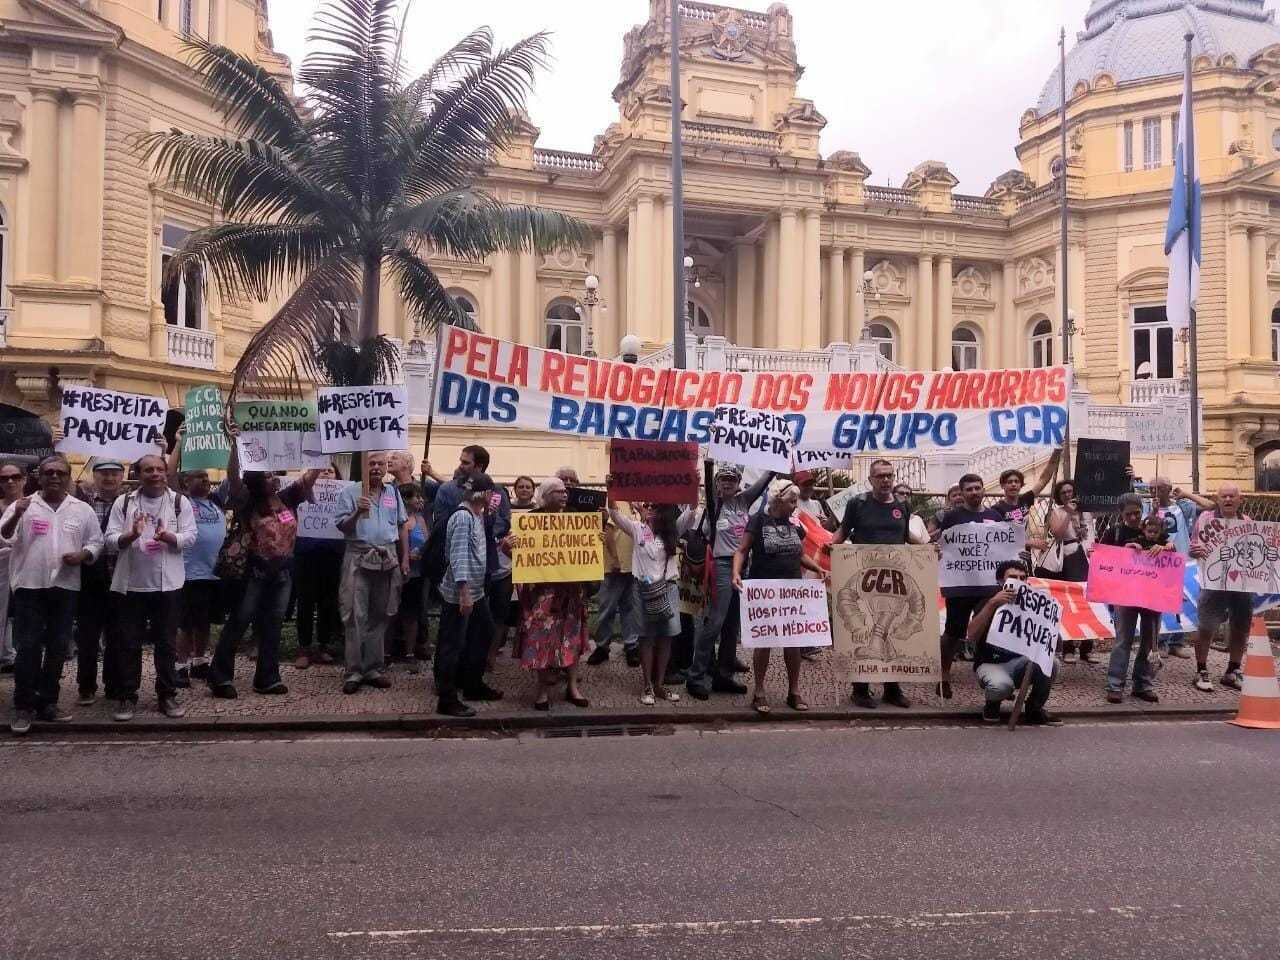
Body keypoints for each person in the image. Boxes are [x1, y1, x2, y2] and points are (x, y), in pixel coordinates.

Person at [1, 455, 103, 734]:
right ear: (39, 477)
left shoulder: (82, 509)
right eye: (48, 472)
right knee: (28, 647)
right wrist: (18, 514)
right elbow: (4, 536)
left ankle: (48, 702)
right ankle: (23, 706)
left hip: (65, 587)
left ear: (69, 476)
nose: (54, 477)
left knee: (59, 647)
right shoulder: (23, 505)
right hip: (29, 587)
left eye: (60, 472)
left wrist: (84, 554)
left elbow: (96, 542)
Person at [208, 467, 319, 699]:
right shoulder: (246, 501)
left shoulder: (287, 497)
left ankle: (267, 678)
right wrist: (235, 444)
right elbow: (234, 476)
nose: (274, 478)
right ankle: (220, 677)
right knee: (240, 621)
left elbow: (308, 478)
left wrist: (324, 449)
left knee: (273, 625)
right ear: (256, 482)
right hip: (254, 571)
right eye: (267, 476)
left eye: (273, 474)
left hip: (283, 572)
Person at [827, 459, 930, 708]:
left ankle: (892, 690)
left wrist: (927, 550)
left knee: (891, 628)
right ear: (871, 479)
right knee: (865, 630)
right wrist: (831, 548)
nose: (885, 480)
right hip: (864, 575)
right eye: (880, 476)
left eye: (889, 476)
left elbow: (906, 535)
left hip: (894, 577)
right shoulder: (857, 504)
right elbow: (843, 531)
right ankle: (860, 690)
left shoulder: (902, 506)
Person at [103, 454, 197, 721]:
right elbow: (109, 540)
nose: (155, 473)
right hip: (131, 585)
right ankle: (127, 696)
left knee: (166, 644)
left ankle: (166, 695)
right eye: (148, 470)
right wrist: (131, 534)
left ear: (166, 472)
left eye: (159, 469)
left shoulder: (180, 502)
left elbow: (191, 536)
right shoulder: (124, 502)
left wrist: (169, 537)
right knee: (128, 643)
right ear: (138, 474)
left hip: (168, 585)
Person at [733, 482, 826, 714]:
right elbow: (742, 550)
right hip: (764, 589)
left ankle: (794, 691)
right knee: (763, 643)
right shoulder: (758, 521)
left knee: (793, 643)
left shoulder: (795, 524)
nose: (796, 506)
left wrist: (818, 568)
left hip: (792, 590)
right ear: (778, 500)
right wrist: (736, 572)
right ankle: (760, 691)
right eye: (792, 501)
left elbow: (801, 554)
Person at [685, 465, 771, 700]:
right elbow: (709, 467)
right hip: (722, 566)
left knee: (732, 625)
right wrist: (713, 444)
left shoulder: (744, 500)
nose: (727, 483)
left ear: (739, 482)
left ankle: (723, 675)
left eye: (731, 480)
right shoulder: (714, 505)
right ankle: (696, 676)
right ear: (716, 484)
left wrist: (780, 456)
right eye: (722, 480)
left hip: (743, 567)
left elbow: (764, 479)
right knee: (714, 621)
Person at [336, 454, 409, 694]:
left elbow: (401, 526)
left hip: (387, 558)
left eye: (380, 464)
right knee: (355, 613)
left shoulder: (392, 493)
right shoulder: (350, 492)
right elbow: (342, 527)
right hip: (358, 557)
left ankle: (374, 668)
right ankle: (354, 671)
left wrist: (404, 558)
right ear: (364, 467)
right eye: (371, 464)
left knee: (382, 612)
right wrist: (357, 512)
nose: (376, 468)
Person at [608, 494, 690, 706]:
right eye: (647, 505)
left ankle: (660, 684)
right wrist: (611, 490)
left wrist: (693, 488)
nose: (650, 508)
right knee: (646, 637)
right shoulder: (637, 529)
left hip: (668, 588)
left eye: (655, 505)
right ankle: (647, 685)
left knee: (665, 638)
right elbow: (615, 514)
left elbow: (691, 513)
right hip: (642, 589)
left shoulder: (671, 530)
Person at [519, 478, 592, 710]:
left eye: (565, 492)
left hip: (570, 590)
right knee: (541, 639)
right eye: (558, 491)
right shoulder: (531, 519)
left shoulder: (575, 517)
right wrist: (508, 547)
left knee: (571, 638)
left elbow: (587, 547)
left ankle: (572, 686)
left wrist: (595, 542)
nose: (564, 495)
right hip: (543, 592)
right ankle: (542, 690)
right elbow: (521, 554)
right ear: (547, 495)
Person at [436, 473, 502, 716]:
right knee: (452, 644)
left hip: (477, 590)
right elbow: (459, 555)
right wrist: (463, 592)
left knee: (485, 631)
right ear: (485, 494)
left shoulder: (478, 515)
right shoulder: (463, 518)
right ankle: (447, 698)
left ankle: (473, 684)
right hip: (461, 592)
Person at [965, 559, 1060, 726]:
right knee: (1000, 686)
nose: (1019, 581)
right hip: (991, 663)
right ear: (1001, 581)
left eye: (1023, 578)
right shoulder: (989, 600)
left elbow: (1053, 643)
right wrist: (992, 604)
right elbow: (971, 635)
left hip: (1021, 663)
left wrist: (1049, 623)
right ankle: (992, 705)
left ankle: (1034, 709)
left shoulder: (1035, 603)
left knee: (1051, 663)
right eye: (1013, 577)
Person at [937, 473, 1006, 698]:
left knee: (987, 630)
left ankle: (989, 675)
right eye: (969, 489)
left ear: (983, 489)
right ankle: (944, 676)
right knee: (952, 632)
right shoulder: (952, 517)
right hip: (960, 585)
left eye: (977, 488)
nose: (974, 492)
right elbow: (944, 545)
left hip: (987, 586)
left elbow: (1001, 547)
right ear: (963, 493)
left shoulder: (995, 516)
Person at [1099, 497, 1174, 704]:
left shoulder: (1154, 528)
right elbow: (1102, 558)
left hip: (1153, 595)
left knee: (1150, 640)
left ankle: (1143, 684)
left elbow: (1173, 551)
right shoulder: (1114, 532)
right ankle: (1115, 685)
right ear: (1121, 514)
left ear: (1142, 512)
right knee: (1124, 639)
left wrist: (1166, 548)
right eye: (1128, 514)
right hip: (1125, 594)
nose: (1133, 517)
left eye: (1137, 513)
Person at [1189, 484, 1254, 693]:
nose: (1227, 499)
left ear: (1239, 499)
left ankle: (1232, 670)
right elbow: (1193, 547)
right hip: (1213, 583)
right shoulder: (1206, 519)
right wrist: (1195, 550)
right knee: (1206, 626)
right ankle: (1201, 670)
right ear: (1217, 499)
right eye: (1223, 496)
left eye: (1231, 496)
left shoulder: (1247, 522)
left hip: (1241, 585)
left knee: (1240, 627)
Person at [73, 458, 126, 705]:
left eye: (114, 473)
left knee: (117, 634)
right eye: (104, 473)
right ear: (95, 476)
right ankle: (86, 685)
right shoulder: (82, 503)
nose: (109, 478)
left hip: (119, 575)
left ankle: (113, 684)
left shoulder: (129, 503)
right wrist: (59, 448)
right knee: (87, 636)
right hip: (90, 576)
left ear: (122, 477)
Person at [176, 467, 228, 686]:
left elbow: (233, 477)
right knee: (185, 623)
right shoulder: (180, 502)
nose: (206, 481)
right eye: (200, 477)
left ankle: (199, 661)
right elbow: (169, 476)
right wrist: (176, 445)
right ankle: (179, 666)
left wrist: (235, 446)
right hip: (188, 573)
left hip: (214, 573)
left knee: (204, 621)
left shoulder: (216, 500)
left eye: (207, 478)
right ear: (186, 482)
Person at [1138, 473, 1199, 659]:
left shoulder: (1183, 507)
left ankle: (1177, 642)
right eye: (1150, 489)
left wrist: (1187, 494)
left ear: (1168, 489)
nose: (1153, 492)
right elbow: (1143, 527)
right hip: (1157, 562)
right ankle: (1161, 642)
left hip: (1180, 559)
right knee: (1160, 602)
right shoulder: (1148, 507)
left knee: (1181, 601)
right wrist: (1153, 512)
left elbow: (1210, 507)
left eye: (1157, 488)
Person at [1038, 479, 1096, 664]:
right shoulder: (1057, 512)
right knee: (1070, 603)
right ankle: (1069, 648)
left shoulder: (1086, 511)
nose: (1068, 495)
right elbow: (1058, 534)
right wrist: (1068, 514)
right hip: (1070, 558)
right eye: (1064, 493)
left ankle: (1087, 648)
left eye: (1071, 491)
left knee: (1089, 603)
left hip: (1088, 556)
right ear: (1059, 496)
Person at [293, 462, 344, 669]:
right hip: (305, 554)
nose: (326, 473)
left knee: (328, 602)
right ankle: (304, 648)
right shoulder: (301, 493)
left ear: (337, 476)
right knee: (305, 602)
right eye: (322, 469)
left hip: (332, 555)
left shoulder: (344, 494)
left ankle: (323, 645)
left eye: (330, 470)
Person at [586, 506, 640, 668]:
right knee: (607, 608)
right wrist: (615, 559)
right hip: (614, 567)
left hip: (633, 567)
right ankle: (602, 647)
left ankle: (631, 645)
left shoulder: (640, 506)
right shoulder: (620, 503)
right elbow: (609, 532)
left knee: (630, 608)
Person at [391, 482, 428, 674]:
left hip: (417, 574)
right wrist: (404, 557)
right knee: (391, 612)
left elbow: (427, 542)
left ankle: (409, 653)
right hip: (398, 572)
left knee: (411, 615)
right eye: (416, 496)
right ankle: (386, 652)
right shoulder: (398, 521)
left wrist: (422, 553)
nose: (420, 500)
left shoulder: (420, 520)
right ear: (405, 499)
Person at [0, 461, 27, 673]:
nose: (10, 481)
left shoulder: (37, 503)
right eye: (4, 478)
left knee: (24, 609)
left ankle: (21, 655)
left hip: (27, 564)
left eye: (15, 477)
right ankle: (6, 654)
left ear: (24, 479)